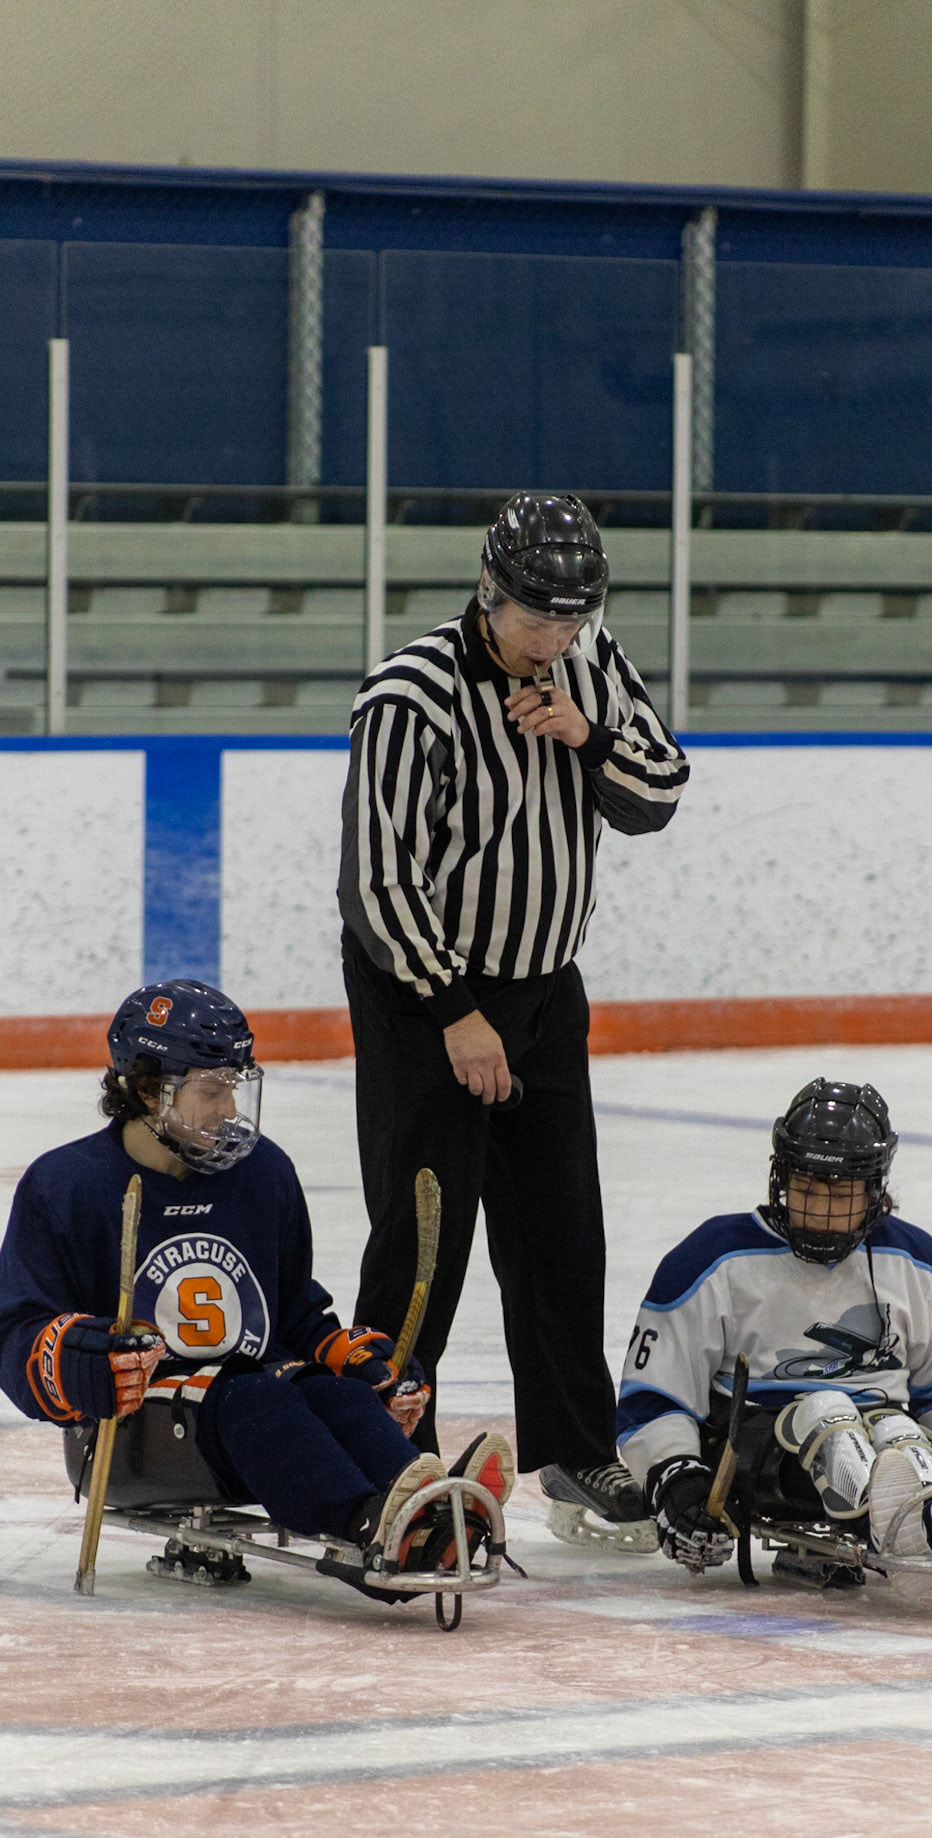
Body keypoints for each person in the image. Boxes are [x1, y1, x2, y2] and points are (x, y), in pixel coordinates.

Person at [339, 492, 689, 1545]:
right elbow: (377, 880)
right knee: (422, 1240)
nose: (556, 639)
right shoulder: (412, 695)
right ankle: (396, 1454)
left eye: (572, 619)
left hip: (545, 993)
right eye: (539, 618)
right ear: (489, 593)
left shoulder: (590, 663)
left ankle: (577, 1450)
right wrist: (453, 1010)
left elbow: (660, 788)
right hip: (425, 999)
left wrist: (585, 738)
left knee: (560, 1234)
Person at [0, 978, 513, 1586]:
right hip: (134, 1439)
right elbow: (16, 1336)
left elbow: (291, 1315)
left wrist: (349, 1355)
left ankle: (435, 1516)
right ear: (149, 1089)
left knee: (331, 1395)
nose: (230, 1112)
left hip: (258, 1430)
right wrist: (84, 1357)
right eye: (211, 1092)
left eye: (235, 1089)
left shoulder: (264, 1172)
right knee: (257, 1397)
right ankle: (374, 1525)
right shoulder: (67, 1184)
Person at [614, 1077, 932, 1587]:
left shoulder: (920, 1263)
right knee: (829, 1415)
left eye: (840, 1193)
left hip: (879, 1433)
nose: (821, 1213)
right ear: (781, 1179)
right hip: (751, 1447)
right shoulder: (713, 1257)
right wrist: (676, 1475)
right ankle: (901, 1520)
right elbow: (653, 1395)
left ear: (875, 1190)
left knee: (900, 1432)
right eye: (807, 1189)